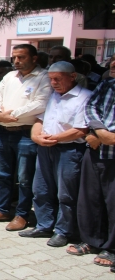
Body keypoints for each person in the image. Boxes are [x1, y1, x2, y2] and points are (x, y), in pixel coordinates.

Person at [0, 44, 52, 231]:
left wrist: (13, 114)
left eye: (21, 57)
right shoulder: (9, 77)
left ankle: (22, 214)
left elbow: (41, 103)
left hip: (26, 133)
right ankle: (2, 209)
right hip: (3, 132)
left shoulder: (44, 77)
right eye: (15, 58)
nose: (17, 61)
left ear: (34, 58)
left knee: (25, 178)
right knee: (1, 175)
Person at [17, 61, 90, 247]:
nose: (54, 83)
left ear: (72, 77)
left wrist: (55, 138)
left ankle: (64, 230)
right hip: (46, 148)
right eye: (51, 79)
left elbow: (81, 130)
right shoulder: (53, 96)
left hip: (69, 150)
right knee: (40, 189)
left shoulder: (84, 97)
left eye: (58, 79)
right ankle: (43, 225)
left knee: (66, 194)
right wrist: (36, 136)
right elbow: (39, 119)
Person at [66, 59, 115, 267]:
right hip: (96, 148)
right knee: (91, 199)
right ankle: (92, 241)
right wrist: (98, 130)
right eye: (113, 64)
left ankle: (112, 248)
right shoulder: (107, 85)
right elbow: (91, 107)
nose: (113, 68)